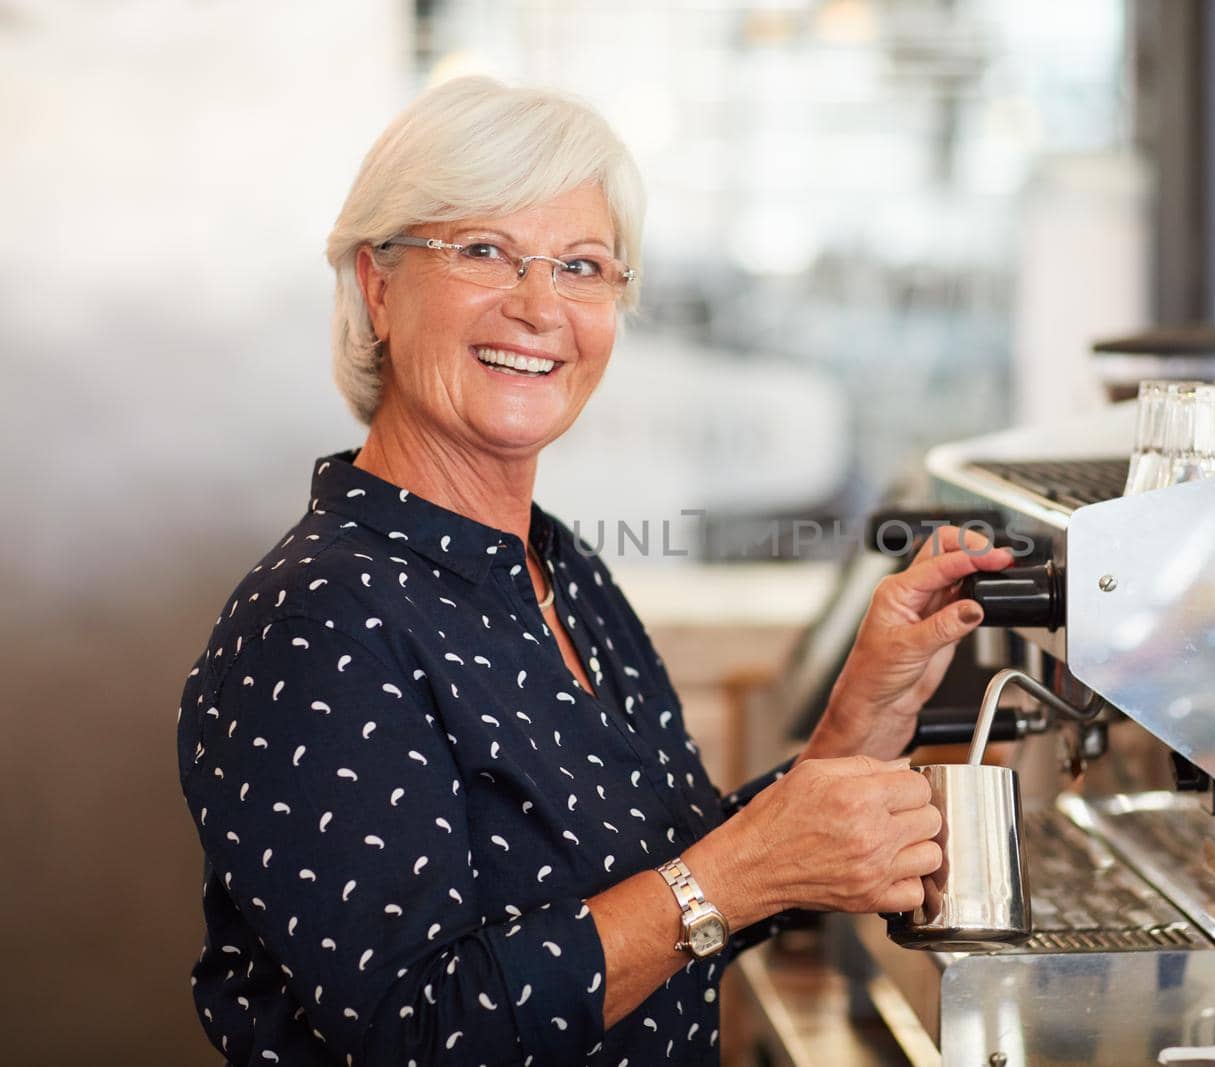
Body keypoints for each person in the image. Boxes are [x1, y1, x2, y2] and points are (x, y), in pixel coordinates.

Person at [176, 76, 1012, 1066]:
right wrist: (737, 874)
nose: (539, 307)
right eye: (484, 252)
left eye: (582, 265)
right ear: (379, 284)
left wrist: (864, 707)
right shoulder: (320, 617)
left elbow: (672, 908)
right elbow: (420, 1036)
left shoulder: (557, 570)